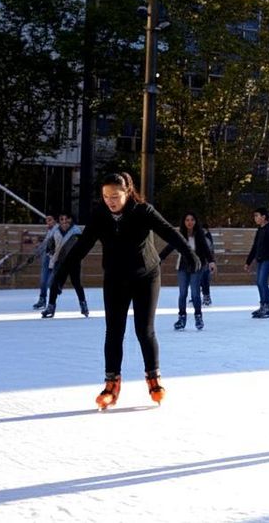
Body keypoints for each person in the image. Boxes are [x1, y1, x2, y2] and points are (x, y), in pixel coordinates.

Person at [52, 173, 200, 409]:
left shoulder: (143, 211)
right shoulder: (100, 215)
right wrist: (60, 274)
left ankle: (154, 380)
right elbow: (82, 245)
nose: (110, 201)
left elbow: (169, 232)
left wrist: (190, 253)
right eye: (105, 196)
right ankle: (111, 385)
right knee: (114, 331)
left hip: (146, 277)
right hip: (115, 278)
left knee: (145, 330)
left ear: (127, 192)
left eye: (115, 196)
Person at [160, 212, 216, 331]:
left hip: (196, 266)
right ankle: (182, 318)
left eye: (192, 220)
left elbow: (206, 250)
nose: (190, 222)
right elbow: (170, 247)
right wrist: (160, 258)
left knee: (195, 293)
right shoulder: (179, 235)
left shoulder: (200, 235)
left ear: (195, 222)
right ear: (184, 222)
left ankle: (198, 316)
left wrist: (211, 261)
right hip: (183, 266)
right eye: (187, 220)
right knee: (183, 293)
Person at [40, 213, 89, 318]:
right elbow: (50, 246)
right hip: (60, 262)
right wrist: (51, 253)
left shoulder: (76, 232)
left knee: (76, 283)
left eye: (66, 220)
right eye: (61, 220)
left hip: (73, 262)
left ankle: (83, 305)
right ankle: (51, 307)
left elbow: (82, 247)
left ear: (70, 220)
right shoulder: (56, 232)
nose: (64, 222)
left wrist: (77, 257)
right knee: (54, 284)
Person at [244, 207, 269, 319]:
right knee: (259, 282)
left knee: (262, 281)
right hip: (260, 259)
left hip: (268, 259)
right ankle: (263, 305)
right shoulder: (260, 230)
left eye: (257, 215)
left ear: (263, 217)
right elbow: (255, 247)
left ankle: (267, 306)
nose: (255, 218)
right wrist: (248, 262)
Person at [32, 214, 57, 311]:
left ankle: (48, 301)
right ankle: (43, 299)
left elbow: (48, 244)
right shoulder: (50, 230)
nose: (48, 222)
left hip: (52, 258)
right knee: (44, 280)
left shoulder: (56, 230)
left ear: (55, 220)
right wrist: (38, 252)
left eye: (50, 220)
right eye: (46, 220)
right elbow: (45, 244)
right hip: (47, 258)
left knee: (49, 281)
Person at [199, 224, 215, 306]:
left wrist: (212, 261)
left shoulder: (207, 238)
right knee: (200, 280)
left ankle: (207, 296)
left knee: (205, 280)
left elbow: (211, 250)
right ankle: (200, 296)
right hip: (200, 262)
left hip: (206, 262)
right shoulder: (197, 237)